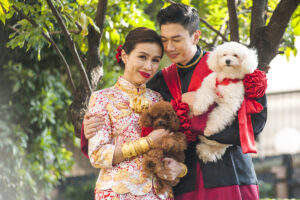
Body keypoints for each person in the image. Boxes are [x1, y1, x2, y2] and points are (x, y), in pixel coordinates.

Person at [82, 3, 267, 200]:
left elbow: (255, 123)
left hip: (229, 175)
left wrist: (199, 124)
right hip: (182, 182)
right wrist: (89, 127)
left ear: (196, 36)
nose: (169, 47)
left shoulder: (228, 63)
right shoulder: (158, 83)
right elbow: (129, 122)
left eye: (176, 39)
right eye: (165, 40)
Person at [85, 27, 186, 200]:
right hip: (118, 194)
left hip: (160, 194)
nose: (148, 66)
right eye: (142, 57)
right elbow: (97, 155)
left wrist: (180, 168)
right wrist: (147, 142)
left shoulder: (159, 98)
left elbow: (171, 147)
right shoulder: (102, 98)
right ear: (125, 56)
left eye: (155, 60)